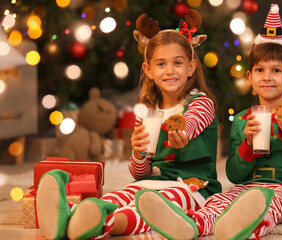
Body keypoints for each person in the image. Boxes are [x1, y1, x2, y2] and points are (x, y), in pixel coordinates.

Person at [35, 9, 221, 240]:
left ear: (191, 67)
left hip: (193, 188)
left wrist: (182, 131)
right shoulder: (146, 112)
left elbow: (192, 122)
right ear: (149, 70)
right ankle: (68, 217)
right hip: (153, 181)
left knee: (151, 209)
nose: (170, 70)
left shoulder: (200, 102)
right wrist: (138, 153)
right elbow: (139, 173)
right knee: (121, 195)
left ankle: (106, 225)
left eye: (178, 63)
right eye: (161, 64)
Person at [137, 4, 282, 240]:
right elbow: (234, 174)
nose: (267, 77)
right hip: (247, 186)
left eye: (276, 71)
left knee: (267, 206)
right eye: (260, 70)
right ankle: (192, 225)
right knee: (218, 200)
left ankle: (241, 231)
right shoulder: (243, 120)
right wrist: (248, 145)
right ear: (250, 78)